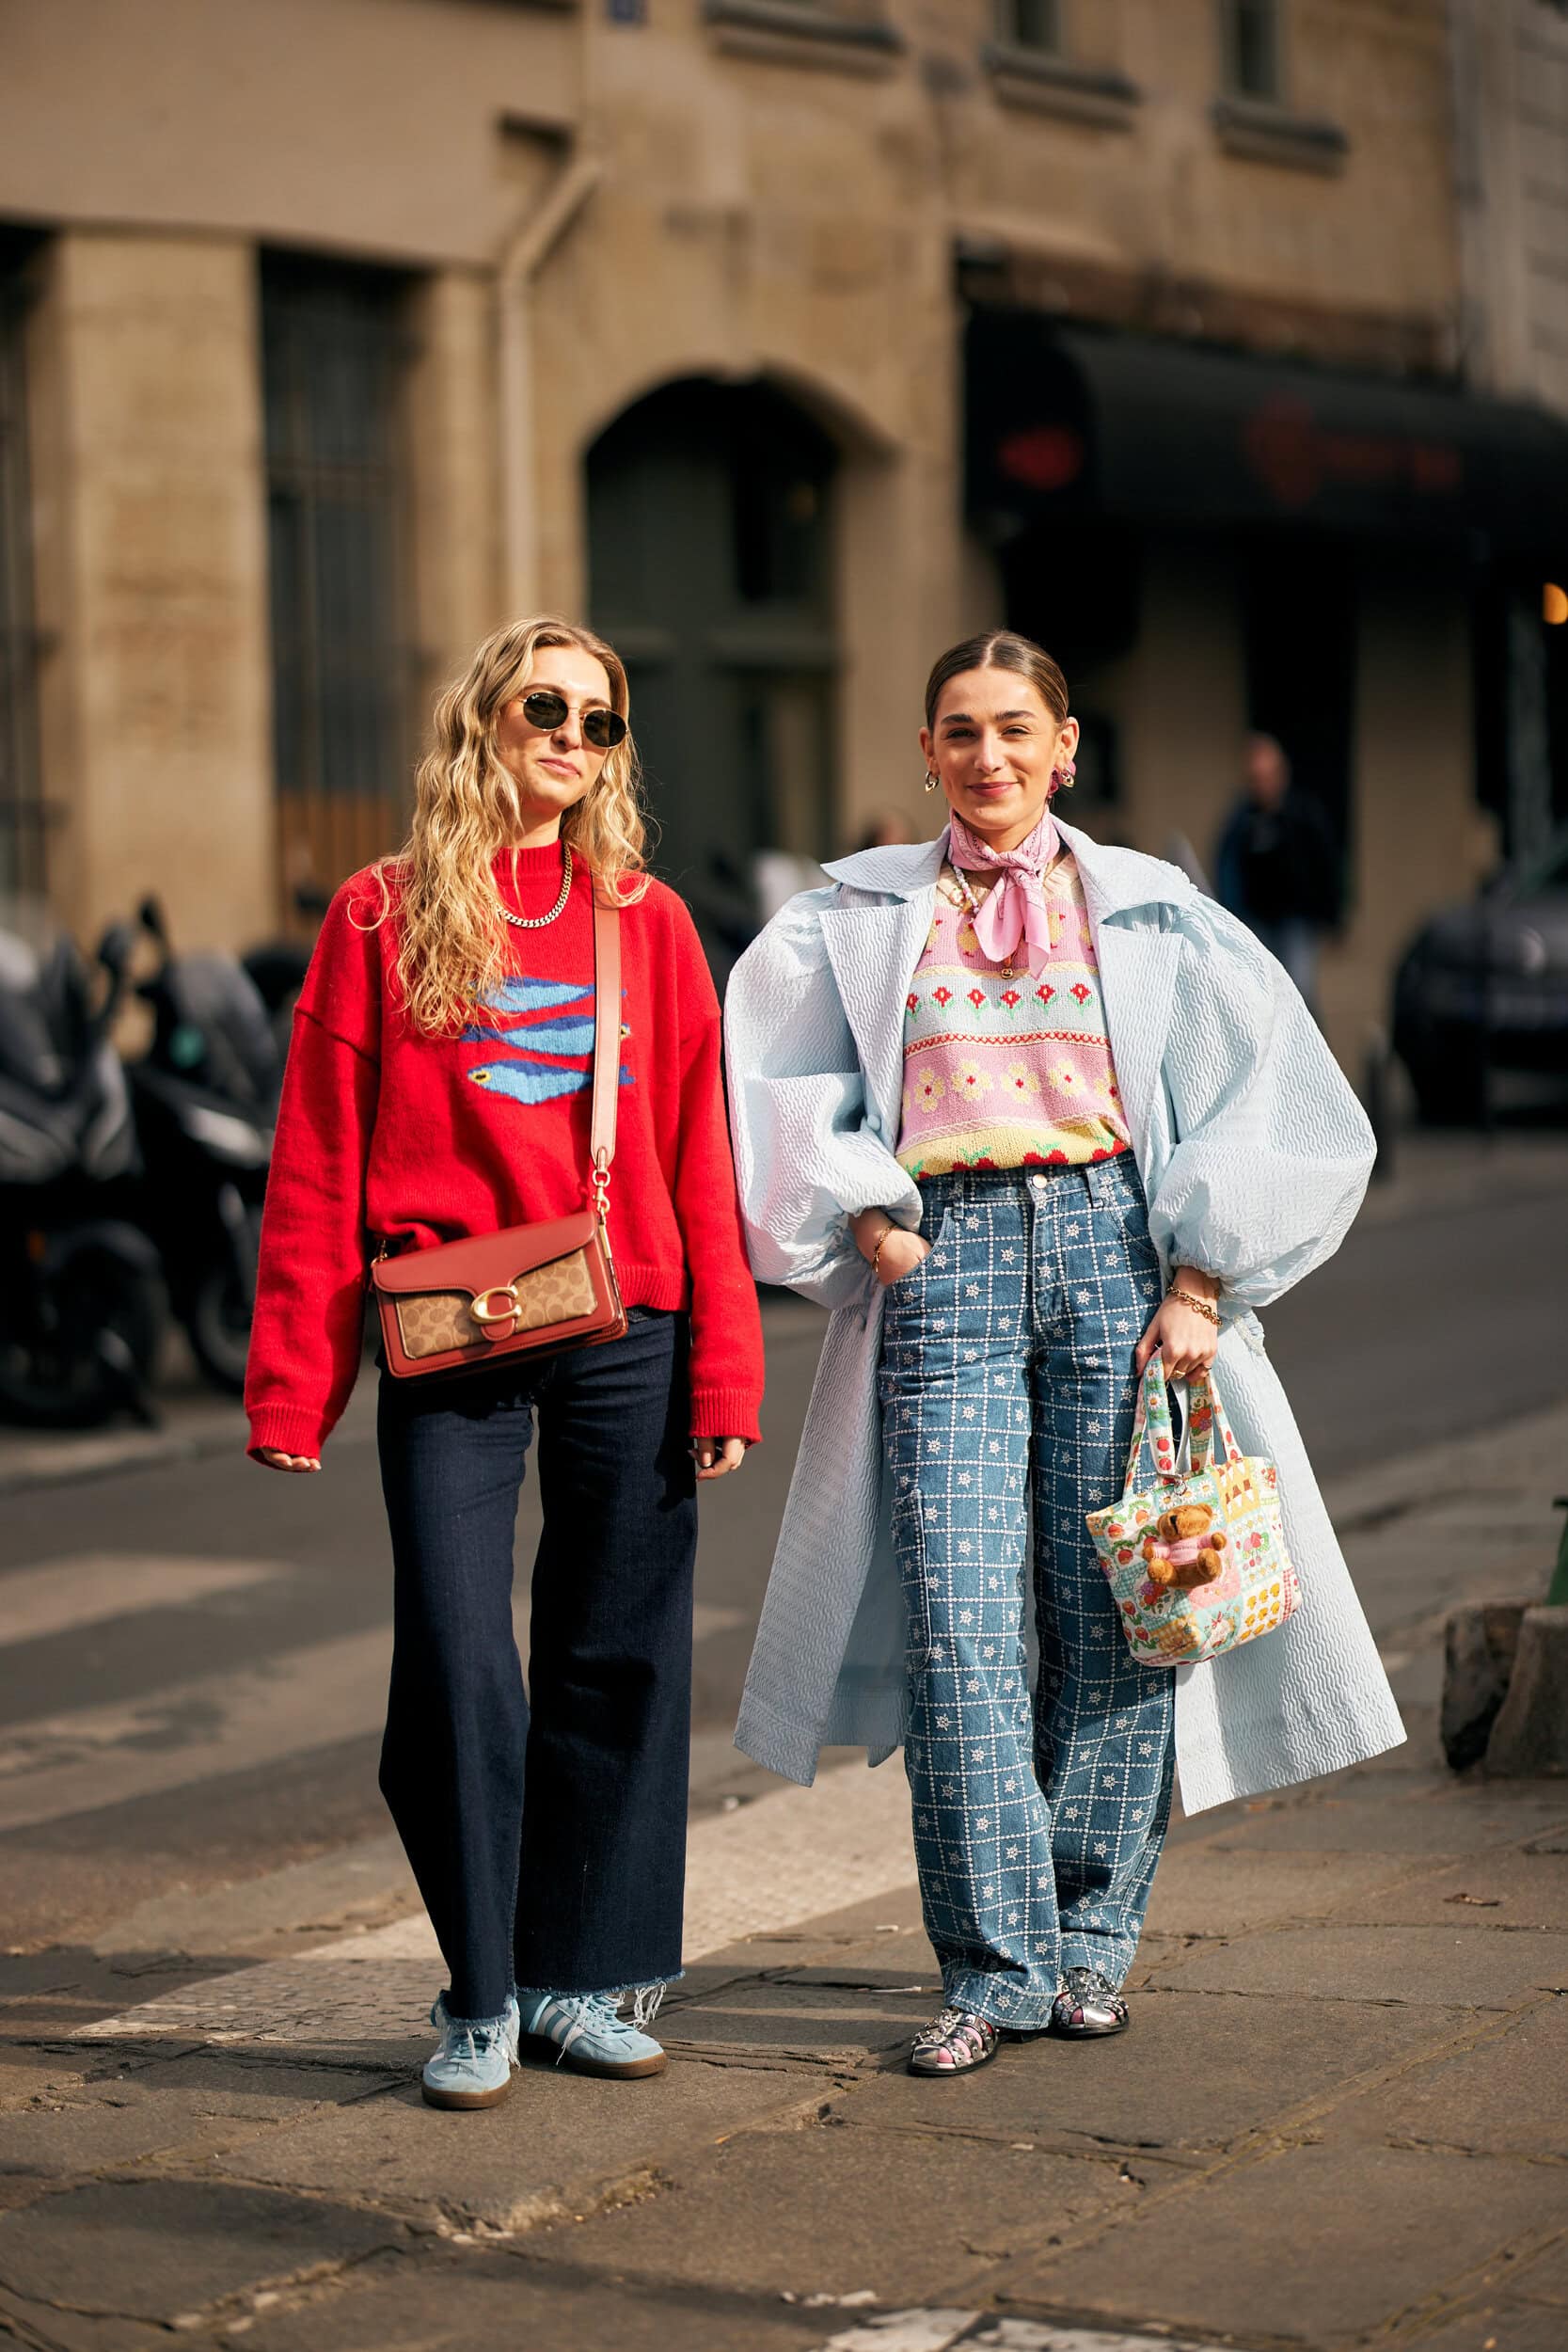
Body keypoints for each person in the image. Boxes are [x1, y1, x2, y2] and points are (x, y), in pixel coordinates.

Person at [724, 629, 1402, 2076]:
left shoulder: (1149, 912)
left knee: (1115, 1614)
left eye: (1014, 730)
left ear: (1065, 746)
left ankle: (1088, 1943)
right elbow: (775, 1090)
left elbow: (1272, 1096)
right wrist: (863, 1212)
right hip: (944, 1265)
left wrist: (1203, 1277)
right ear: (923, 752)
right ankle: (991, 1964)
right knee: (958, 1628)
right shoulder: (851, 916)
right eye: (959, 731)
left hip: (1111, 1257)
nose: (987, 758)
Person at [245, 616, 763, 2110]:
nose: (573, 740)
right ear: (485, 718)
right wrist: (295, 1379)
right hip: (448, 1332)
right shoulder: (377, 915)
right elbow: (316, 1160)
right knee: (459, 1659)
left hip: (628, 1323)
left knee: (618, 1654)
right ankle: (478, 1987)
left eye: (600, 722)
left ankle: (580, 1980)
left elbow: (695, 1152)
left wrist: (722, 1369)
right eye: (547, 708)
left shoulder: (645, 919)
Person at [1214, 733, 1341, 1014]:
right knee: (1259, 994)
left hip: (1297, 921)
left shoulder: (1304, 814)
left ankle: (1306, 1053)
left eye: (1267, 776)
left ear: (1281, 775)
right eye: (1255, 778)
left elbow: (1326, 866)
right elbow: (1226, 869)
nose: (1262, 785)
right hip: (1255, 921)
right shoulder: (1242, 820)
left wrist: (1332, 917)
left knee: (1299, 991)